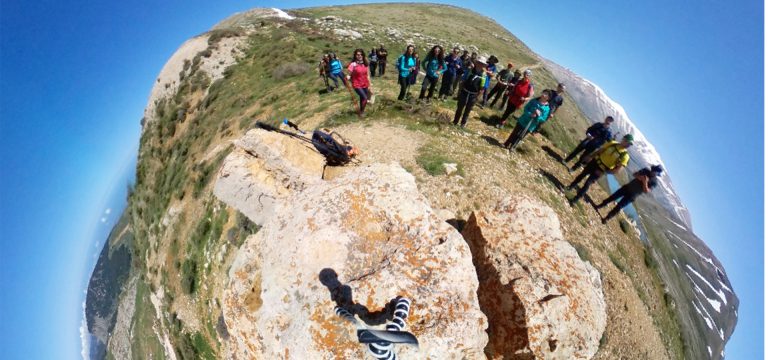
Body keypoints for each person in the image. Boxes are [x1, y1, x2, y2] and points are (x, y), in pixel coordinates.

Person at [567, 134, 634, 206]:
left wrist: (604, 173)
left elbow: (617, 170)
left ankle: (575, 199)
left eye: (630, 144)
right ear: (623, 139)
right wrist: (590, 156)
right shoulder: (613, 143)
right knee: (582, 175)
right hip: (595, 162)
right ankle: (570, 187)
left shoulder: (625, 156)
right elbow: (600, 150)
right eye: (628, 142)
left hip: (601, 170)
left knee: (588, 183)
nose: (628, 145)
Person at [595, 165, 663, 224]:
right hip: (627, 187)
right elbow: (634, 174)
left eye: (656, 172)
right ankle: (600, 206)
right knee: (613, 197)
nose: (654, 172)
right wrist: (640, 177)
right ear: (653, 169)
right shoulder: (645, 170)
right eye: (654, 170)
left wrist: (645, 182)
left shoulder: (654, 182)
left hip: (633, 195)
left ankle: (607, 218)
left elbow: (646, 191)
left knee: (619, 206)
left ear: (658, 174)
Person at [453, 56, 487, 127]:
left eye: (481, 63)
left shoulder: (483, 75)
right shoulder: (470, 70)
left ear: (483, 65)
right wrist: (459, 91)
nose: (480, 64)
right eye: (479, 62)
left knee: (467, 110)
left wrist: (477, 98)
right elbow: (463, 80)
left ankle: (463, 123)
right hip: (464, 92)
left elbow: (482, 88)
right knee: (459, 108)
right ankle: (455, 122)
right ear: (476, 62)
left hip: (473, 95)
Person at [347, 49, 371, 116]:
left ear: (363, 55)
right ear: (355, 56)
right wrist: (348, 76)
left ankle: (361, 111)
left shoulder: (365, 64)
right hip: (357, 84)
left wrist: (370, 84)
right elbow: (349, 73)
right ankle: (362, 112)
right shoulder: (353, 64)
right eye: (357, 55)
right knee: (365, 98)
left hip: (365, 83)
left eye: (361, 54)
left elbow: (368, 75)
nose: (359, 56)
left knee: (362, 98)